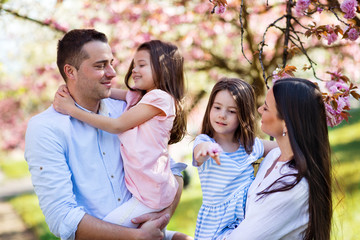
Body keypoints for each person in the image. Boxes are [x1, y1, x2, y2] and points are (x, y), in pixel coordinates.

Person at [25, 29, 188, 240]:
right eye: (100, 66)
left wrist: (159, 221)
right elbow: (62, 218)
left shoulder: (126, 109)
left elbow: (172, 170)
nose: (112, 73)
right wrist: (135, 237)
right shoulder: (46, 128)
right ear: (70, 72)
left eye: (111, 63)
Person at [226, 78, 332, 240]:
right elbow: (246, 145)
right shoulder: (276, 156)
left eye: (267, 108)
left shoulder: (292, 186)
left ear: (286, 124)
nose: (260, 109)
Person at [192, 77, 277, 240]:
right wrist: (207, 150)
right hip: (216, 227)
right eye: (217, 108)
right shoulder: (205, 141)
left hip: (246, 222)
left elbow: (283, 148)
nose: (222, 115)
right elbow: (199, 152)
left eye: (231, 111)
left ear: (243, 116)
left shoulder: (250, 146)